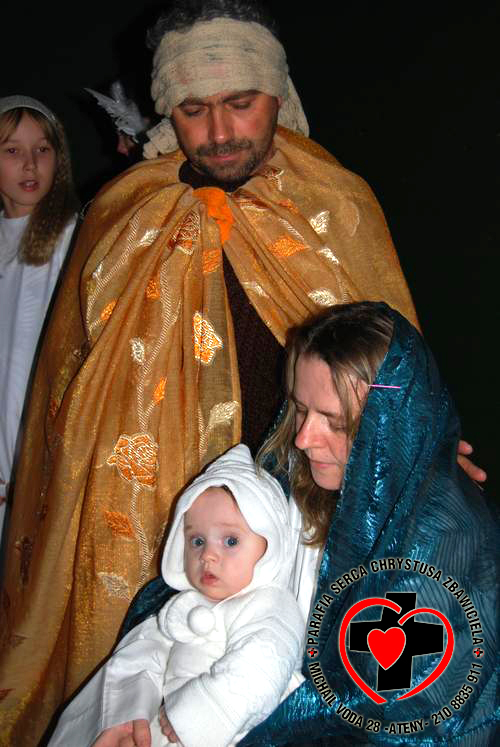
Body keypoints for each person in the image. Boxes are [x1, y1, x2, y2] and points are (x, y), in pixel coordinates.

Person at [0, 3, 482, 745]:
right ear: (168, 110)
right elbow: (70, 380)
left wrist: (425, 445)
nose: (220, 131)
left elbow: (382, 360)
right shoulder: (122, 212)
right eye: (193, 110)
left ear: (278, 95)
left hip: (305, 502)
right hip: (152, 502)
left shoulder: (333, 201)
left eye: (241, 102)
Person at [48, 444, 304, 747]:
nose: (207, 555)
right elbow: (144, 651)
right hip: (169, 723)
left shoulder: (271, 605)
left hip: (233, 730)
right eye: (197, 541)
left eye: (231, 541)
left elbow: (264, 663)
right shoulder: (181, 606)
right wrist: (132, 711)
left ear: (271, 544)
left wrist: (203, 714)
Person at [0, 95, 78, 548]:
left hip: (42, 468)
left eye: (42, 149)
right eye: (12, 150)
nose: (30, 164)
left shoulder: (75, 236)